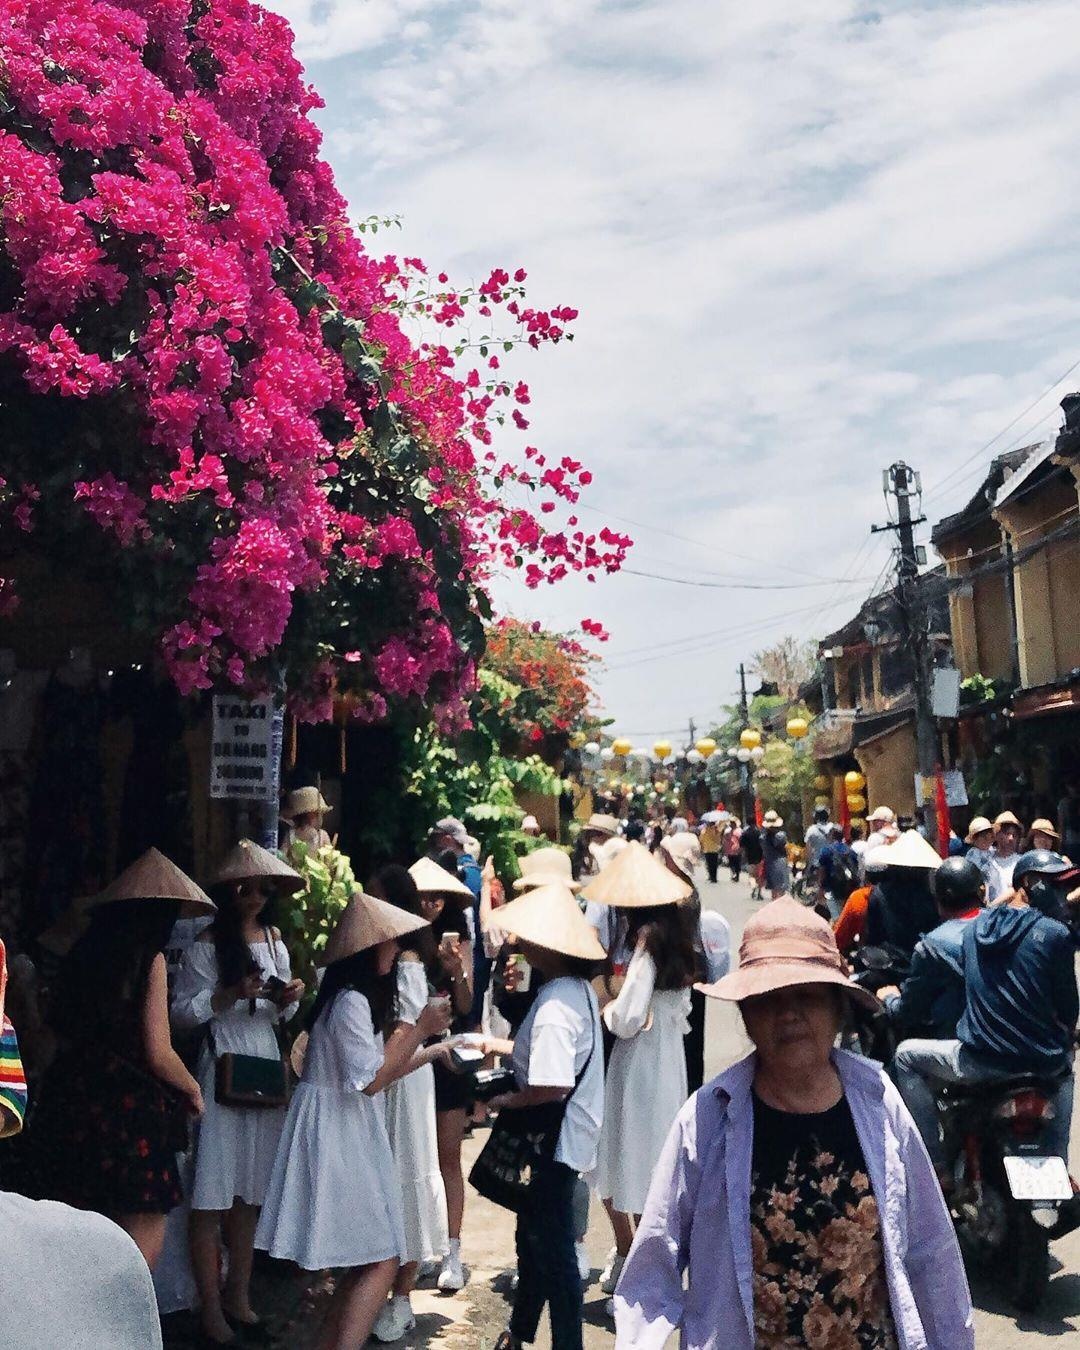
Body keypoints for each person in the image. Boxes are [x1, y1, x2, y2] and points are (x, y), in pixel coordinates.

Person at [615, 896, 975, 1349]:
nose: (788, 1014)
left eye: (805, 996)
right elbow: (654, 1263)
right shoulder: (707, 1119)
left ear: (837, 1007)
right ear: (746, 1015)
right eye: (769, 1000)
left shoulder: (879, 1103)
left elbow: (930, 1251)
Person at [255, 891, 452, 1349]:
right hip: (340, 1133)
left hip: (344, 1129)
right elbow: (370, 1081)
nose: (395, 950)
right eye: (388, 943)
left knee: (369, 1257)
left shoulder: (347, 1000)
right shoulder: (350, 1003)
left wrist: (429, 1049)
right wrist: (418, 1027)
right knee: (381, 1256)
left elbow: (379, 1071)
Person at [13, 849, 210, 1269]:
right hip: (132, 1115)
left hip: (74, 1103)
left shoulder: (82, 954)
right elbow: (158, 1050)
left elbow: (54, 1033)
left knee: (74, 1245)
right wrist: (192, 1087)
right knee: (135, 1259)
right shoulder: (149, 958)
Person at [171, 841, 305, 1346]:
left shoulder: (275, 940)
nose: (253, 895)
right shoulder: (207, 944)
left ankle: (239, 1296)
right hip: (222, 1064)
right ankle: (211, 1307)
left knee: (248, 1192)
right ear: (227, 891)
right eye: (243, 887)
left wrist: (287, 998)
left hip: (263, 1063)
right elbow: (182, 1013)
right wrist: (228, 995)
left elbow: (282, 1016)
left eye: (261, 887)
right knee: (211, 1193)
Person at [894, 850, 1079, 1182]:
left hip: (981, 1060)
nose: (1066, 896)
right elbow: (1068, 1009)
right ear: (1030, 885)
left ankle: (934, 1164)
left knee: (905, 1055)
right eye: (1058, 887)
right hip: (1042, 1064)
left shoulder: (975, 931)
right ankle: (1059, 1166)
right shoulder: (1052, 933)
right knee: (1066, 1068)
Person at [478, 883, 605, 1350]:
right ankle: (520, 1331)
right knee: (533, 1239)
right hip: (568, 1136)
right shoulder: (573, 991)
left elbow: (551, 1086)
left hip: (553, 1142)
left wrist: (503, 1100)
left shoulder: (554, 1006)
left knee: (552, 1252)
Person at [583, 843, 696, 1308]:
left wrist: (606, 1008)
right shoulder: (681, 941)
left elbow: (628, 1016)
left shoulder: (647, 942)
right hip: (668, 1059)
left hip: (639, 1060)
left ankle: (637, 1265)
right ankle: (647, 1261)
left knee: (629, 1157)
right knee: (654, 1159)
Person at [368, 865, 450, 1344]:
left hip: (404, 1081)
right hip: (392, 1079)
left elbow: (410, 1035)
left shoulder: (408, 965)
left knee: (407, 1177)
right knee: (389, 1181)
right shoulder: (391, 960)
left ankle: (400, 1298)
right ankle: (385, 1292)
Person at [409, 856, 475, 1294]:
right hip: (410, 1056)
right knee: (415, 1158)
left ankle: (452, 1249)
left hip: (446, 1059)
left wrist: (458, 973)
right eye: (423, 897)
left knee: (447, 1156)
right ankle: (419, 1248)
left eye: (438, 897)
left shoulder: (457, 940)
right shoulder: (402, 939)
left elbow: (467, 1007)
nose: (432, 904)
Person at [876, 856, 986, 1040]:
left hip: (964, 1045)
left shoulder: (931, 947)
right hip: (1008, 1040)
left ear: (938, 899)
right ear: (981, 893)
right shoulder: (1003, 926)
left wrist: (889, 998)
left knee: (905, 1055)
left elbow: (908, 1012)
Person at [863, 829, 943, 957]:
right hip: (923, 962)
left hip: (891, 965)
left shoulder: (878, 894)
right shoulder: (929, 896)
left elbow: (873, 938)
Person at [817, 825, 859, 921]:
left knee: (837, 918)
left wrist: (820, 887)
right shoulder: (850, 851)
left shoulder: (826, 851)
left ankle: (839, 934)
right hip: (848, 889)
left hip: (832, 889)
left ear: (831, 835)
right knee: (847, 916)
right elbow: (856, 870)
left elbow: (822, 871)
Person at [280, 785, 332, 855]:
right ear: (310, 814)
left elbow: (330, 858)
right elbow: (283, 855)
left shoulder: (322, 836)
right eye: (317, 814)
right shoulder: (290, 835)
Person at [963, 815, 1000, 901]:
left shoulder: (994, 851)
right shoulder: (972, 854)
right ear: (974, 839)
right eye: (982, 836)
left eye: (989, 835)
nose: (986, 839)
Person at [988, 810, 1023, 897]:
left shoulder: (1021, 862)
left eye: (1014, 835)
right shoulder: (986, 859)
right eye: (1007, 834)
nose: (1011, 838)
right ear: (996, 835)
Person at [759, 810, 789, 899]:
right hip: (780, 862)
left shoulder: (763, 837)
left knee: (774, 890)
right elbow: (784, 848)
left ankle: (774, 907)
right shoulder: (781, 836)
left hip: (769, 863)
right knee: (781, 889)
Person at [802, 805, 832, 878]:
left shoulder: (811, 830)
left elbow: (808, 850)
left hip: (817, 864)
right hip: (831, 863)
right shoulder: (832, 827)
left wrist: (808, 865)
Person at [698, 817, 721, 885]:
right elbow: (718, 839)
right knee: (715, 864)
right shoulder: (716, 830)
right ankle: (714, 877)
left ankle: (711, 877)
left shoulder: (704, 830)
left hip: (707, 849)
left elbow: (701, 839)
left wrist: (701, 847)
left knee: (709, 864)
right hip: (715, 849)